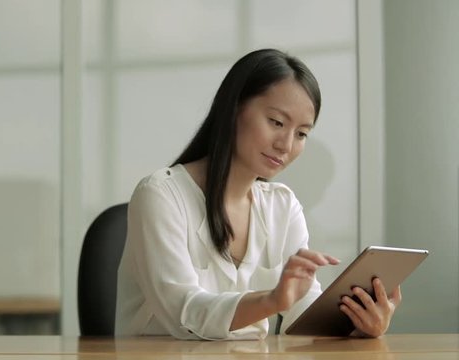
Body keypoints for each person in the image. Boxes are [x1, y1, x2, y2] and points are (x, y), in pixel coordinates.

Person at [115, 49, 401, 340]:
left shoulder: (282, 206)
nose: (286, 145)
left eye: (301, 133)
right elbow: (183, 314)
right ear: (234, 109)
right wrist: (272, 300)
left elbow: (301, 317)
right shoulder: (161, 196)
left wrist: (358, 325)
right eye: (276, 122)